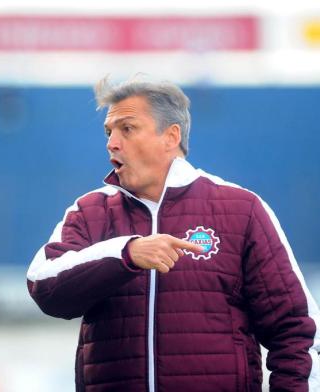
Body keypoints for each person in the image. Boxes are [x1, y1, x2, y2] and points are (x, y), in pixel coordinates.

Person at [27, 76, 320, 392]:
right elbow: (44, 286)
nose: (112, 142)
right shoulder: (90, 212)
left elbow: (295, 330)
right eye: (108, 132)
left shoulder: (241, 209)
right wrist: (126, 253)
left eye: (127, 128)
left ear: (171, 136)